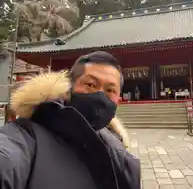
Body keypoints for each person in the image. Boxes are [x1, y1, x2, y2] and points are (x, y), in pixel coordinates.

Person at [0, 51, 140, 189]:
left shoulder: (118, 149)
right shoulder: (27, 137)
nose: (99, 95)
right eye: (90, 85)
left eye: (110, 90)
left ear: (118, 101)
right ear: (69, 88)